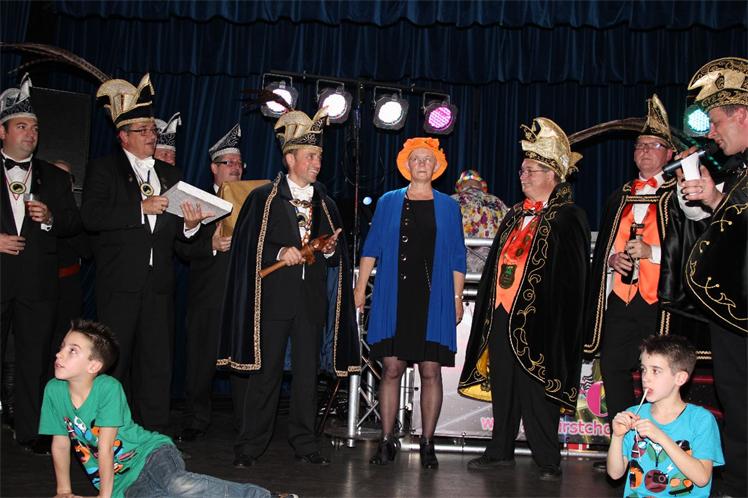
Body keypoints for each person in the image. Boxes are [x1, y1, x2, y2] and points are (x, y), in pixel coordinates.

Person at [217, 108, 359, 467]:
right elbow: (247, 246)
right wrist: (280, 252)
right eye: (310, 156)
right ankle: (250, 446)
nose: (317, 163)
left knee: (308, 378)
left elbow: (335, 259)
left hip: (311, 303)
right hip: (273, 302)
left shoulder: (326, 203)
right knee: (266, 375)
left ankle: (305, 443)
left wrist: (328, 251)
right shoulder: (263, 198)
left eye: (319, 157)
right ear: (290, 158)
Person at [459, 117, 589, 481]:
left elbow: (573, 278)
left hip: (541, 318)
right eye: (522, 170)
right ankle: (499, 451)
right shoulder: (515, 213)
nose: (523, 176)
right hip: (503, 312)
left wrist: (560, 323)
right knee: (503, 383)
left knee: (536, 388)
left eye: (531, 170)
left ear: (552, 176)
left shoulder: (568, 217)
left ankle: (547, 458)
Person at [81, 74, 208, 433]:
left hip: (159, 286)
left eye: (153, 129)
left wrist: (191, 226)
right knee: (114, 363)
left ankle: (154, 438)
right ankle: (109, 435)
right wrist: (140, 208)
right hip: (120, 284)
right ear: (123, 136)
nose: (152, 136)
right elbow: (91, 217)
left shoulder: (170, 173)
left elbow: (180, 239)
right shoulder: (104, 169)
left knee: (157, 365)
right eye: (143, 130)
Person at [39, 319, 274, 498]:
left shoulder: (108, 388)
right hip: (123, 483)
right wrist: (63, 491)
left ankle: (261, 496)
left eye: (72, 350)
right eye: (62, 346)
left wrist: (104, 497)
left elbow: (106, 446)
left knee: (177, 484)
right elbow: (60, 443)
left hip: (150, 454)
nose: (59, 354)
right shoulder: (54, 390)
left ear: (94, 366)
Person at [660, 56, 748, 496]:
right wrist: (712, 198)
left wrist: (716, 198)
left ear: (742, 114)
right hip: (733, 309)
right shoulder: (740, 171)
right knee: (735, 395)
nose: (712, 132)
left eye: (716, 121)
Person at [354, 137, 466, 469]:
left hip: (434, 297)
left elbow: (457, 257)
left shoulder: (449, 207)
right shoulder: (388, 201)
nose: (421, 164)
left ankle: (427, 442)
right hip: (394, 295)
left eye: (427, 159)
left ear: (436, 166)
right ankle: (386, 440)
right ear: (406, 164)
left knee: (431, 370)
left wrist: (457, 298)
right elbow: (371, 248)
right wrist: (360, 289)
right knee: (391, 368)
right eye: (416, 159)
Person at [584, 95, 678, 471]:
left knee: (660, 374)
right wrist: (611, 260)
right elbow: (607, 244)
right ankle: (621, 449)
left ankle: (661, 451)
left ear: (669, 154)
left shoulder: (678, 197)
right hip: (621, 297)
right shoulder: (619, 196)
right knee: (614, 367)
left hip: (659, 300)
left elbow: (690, 249)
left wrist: (652, 252)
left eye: (653, 146)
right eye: (639, 146)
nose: (644, 152)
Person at [0, 74, 82, 453]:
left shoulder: (53, 176)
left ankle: (30, 431)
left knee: (34, 360)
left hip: (37, 282)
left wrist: (49, 218)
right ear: (3, 132)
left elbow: (73, 224)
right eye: (22, 127)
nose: (30, 134)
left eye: (34, 128)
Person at [175, 123, 242, 442]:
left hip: (242, 295)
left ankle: (246, 422)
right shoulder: (196, 201)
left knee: (243, 361)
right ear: (214, 168)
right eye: (229, 163)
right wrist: (209, 244)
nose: (236, 168)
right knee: (200, 362)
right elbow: (181, 248)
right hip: (208, 295)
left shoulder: (253, 201)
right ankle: (196, 419)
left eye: (239, 163)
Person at [606, 334, 724, 497]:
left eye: (656, 371)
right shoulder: (634, 413)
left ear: (680, 378)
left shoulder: (701, 420)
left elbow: (702, 478)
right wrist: (617, 436)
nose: (646, 378)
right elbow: (614, 474)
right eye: (644, 369)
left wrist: (661, 437)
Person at [50, 159, 92, 364]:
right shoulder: (32, 211)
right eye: (56, 175)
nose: (62, 181)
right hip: (38, 285)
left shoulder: (79, 213)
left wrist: (66, 221)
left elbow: (87, 251)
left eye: (67, 177)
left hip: (69, 286)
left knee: (65, 338)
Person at [450, 169, 508, 274]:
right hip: (489, 266)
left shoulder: (450, 201)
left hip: (456, 266)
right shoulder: (498, 203)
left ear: (460, 186)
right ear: (481, 185)